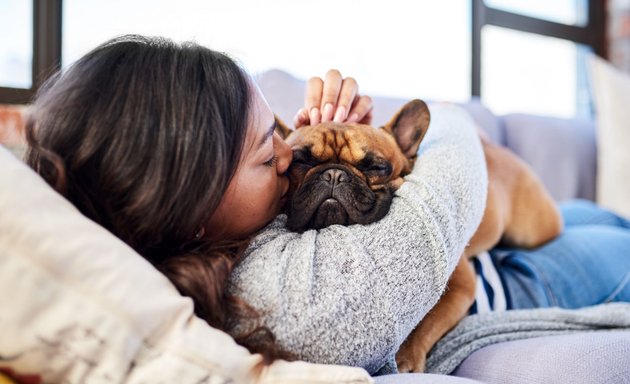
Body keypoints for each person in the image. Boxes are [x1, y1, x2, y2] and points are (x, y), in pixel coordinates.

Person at [24, 34, 630, 377]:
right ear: (194, 200)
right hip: (524, 277)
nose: (292, 163)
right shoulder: (307, 297)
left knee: (586, 214)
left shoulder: (201, 253)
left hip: (511, 238)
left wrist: (339, 146)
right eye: (274, 155)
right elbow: (457, 135)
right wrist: (388, 150)